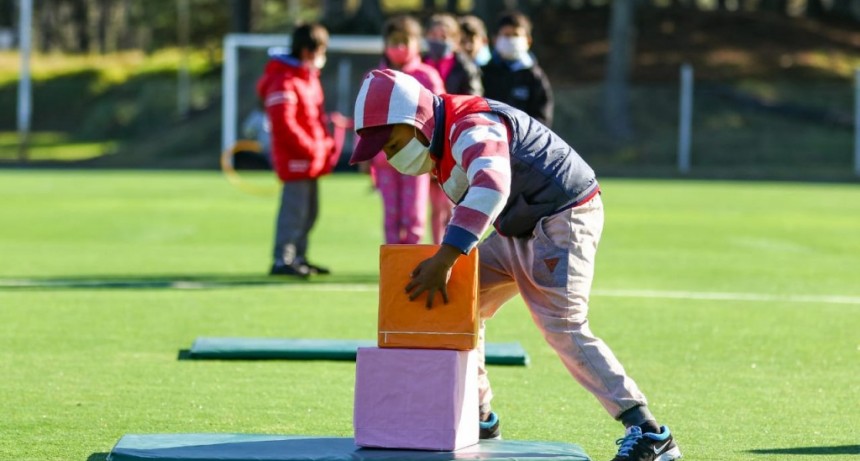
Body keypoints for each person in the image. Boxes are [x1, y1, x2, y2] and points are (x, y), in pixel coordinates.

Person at [349, 69, 682, 461]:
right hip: (518, 228)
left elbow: (491, 187)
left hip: (563, 216)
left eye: (391, 144)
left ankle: (650, 432)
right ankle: (480, 416)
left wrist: (444, 257)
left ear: (416, 120)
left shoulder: (470, 123)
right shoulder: (440, 142)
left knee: (563, 324)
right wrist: (449, 260)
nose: (389, 157)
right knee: (460, 301)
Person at [256, 23, 337, 277]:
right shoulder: (284, 80)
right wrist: (311, 148)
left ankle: (299, 256)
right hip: (296, 159)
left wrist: (326, 144)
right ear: (306, 51)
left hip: (311, 158)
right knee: (294, 210)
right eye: (320, 50)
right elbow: (284, 124)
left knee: (310, 211)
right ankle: (283, 259)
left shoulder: (307, 77)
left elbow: (315, 118)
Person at [361, 15, 446, 245]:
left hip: (417, 157)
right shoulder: (375, 78)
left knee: (414, 214)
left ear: (417, 43)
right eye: (393, 41)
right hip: (384, 158)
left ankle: (411, 263)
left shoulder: (427, 76)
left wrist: (438, 154)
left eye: (404, 41)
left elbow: (439, 117)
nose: (398, 47)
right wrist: (365, 156)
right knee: (391, 215)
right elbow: (365, 120)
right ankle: (392, 266)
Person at [422, 13, 482, 245]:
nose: (438, 40)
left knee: (451, 203)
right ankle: (436, 246)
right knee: (433, 205)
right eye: (433, 35)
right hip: (425, 140)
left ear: (455, 39)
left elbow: (472, 102)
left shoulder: (465, 68)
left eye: (444, 36)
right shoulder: (420, 63)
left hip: (452, 140)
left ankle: (451, 246)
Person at [481, 11, 554, 128]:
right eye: (506, 35)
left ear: (528, 41)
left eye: (516, 35)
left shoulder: (534, 77)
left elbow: (542, 117)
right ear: (495, 39)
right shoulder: (484, 73)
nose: (511, 40)